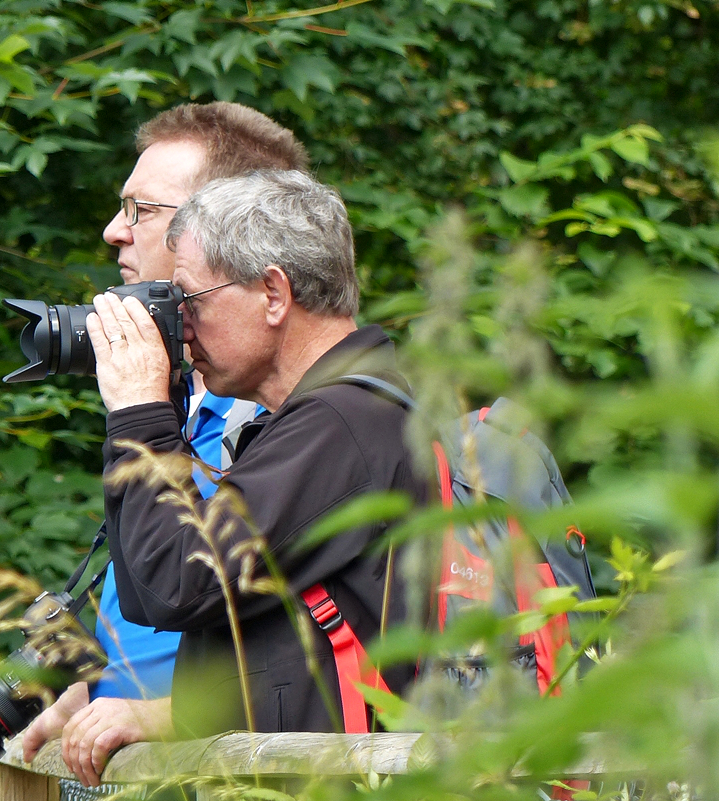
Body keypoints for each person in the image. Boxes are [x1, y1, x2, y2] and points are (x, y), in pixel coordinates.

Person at [84, 170, 423, 767]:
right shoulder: (333, 419)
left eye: (186, 300)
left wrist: (139, 414)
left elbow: (179, 584)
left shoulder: (343, 421)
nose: (178, 329)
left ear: (273, 293)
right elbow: (161, 597)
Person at [20, 103, 310, 786]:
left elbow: (310, 647)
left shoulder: (285, 420)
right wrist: (89, 693)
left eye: (141, 210)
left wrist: (172, 713)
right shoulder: (185, 397)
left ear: (217, 227)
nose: (113, 230)